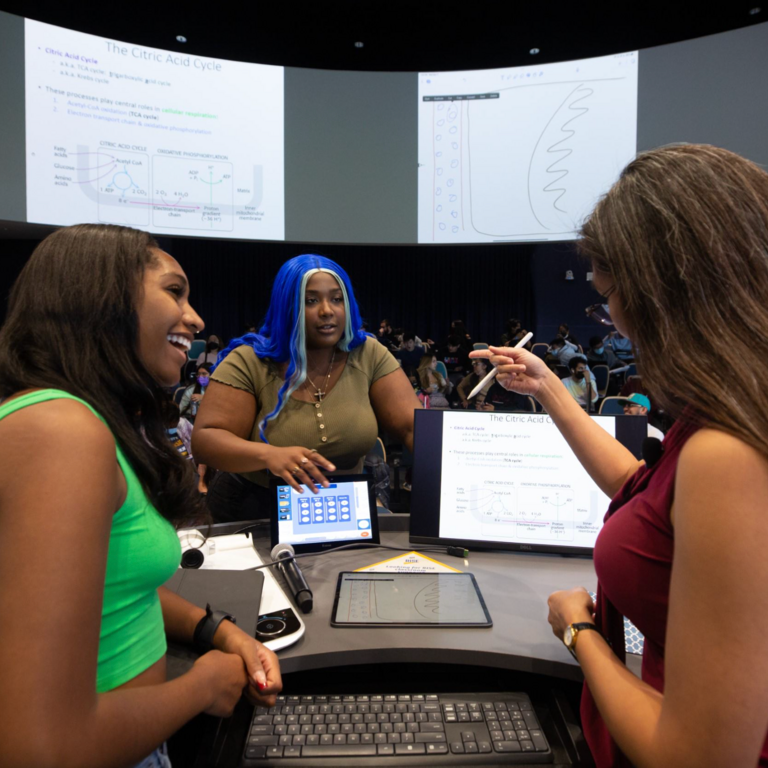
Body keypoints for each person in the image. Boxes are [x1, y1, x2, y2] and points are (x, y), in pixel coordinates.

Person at [471, 144, 768, 767]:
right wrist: (549, 388)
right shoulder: (737, 413)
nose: (612, 319)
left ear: (661, 295)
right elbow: (647, 493)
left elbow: (694, 757)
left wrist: (580, 634)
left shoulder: (727, 453)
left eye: (609, 295)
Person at [0, 224, 281, 768]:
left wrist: (219, 632)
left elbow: (108, 588)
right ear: (102, 299)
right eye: (174, 292)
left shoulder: (72, 420)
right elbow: (41, 749)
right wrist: (201, 687)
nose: (196, 318)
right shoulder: (62, 431)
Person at [192, 254, 422, 522]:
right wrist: (269, 455)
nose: (327, 310)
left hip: (344, 508)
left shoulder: (368, 353)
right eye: (311, 300)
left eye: (337, 299)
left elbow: (413, 428)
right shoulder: (250, 359)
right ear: (286, 306)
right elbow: (206, 440)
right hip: (254, 508)